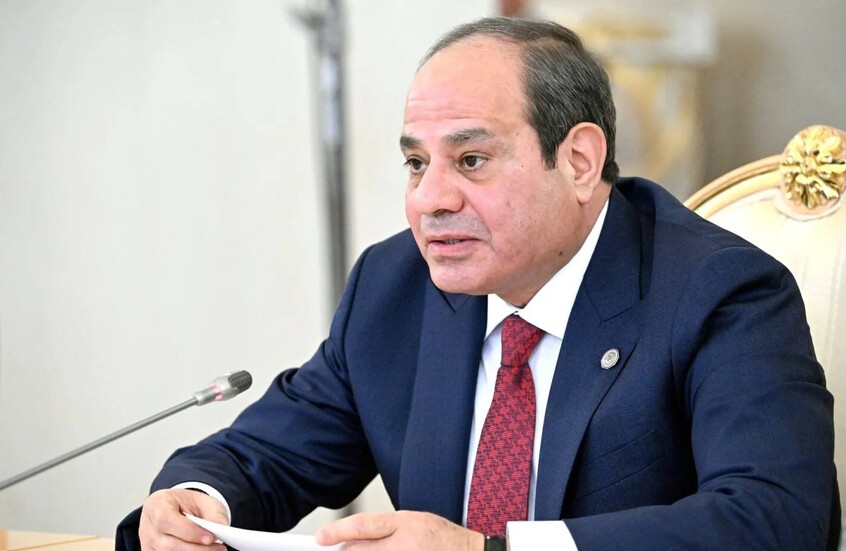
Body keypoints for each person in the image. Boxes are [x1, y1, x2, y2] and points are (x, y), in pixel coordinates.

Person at [117, 16, 840, 550]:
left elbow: (777, 518)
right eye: (415, 163)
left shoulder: (718, 291)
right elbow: (268, 455)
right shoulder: (394, 287)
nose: (429, 199)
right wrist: (196, 502)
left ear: (580, 161)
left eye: (470, 161)